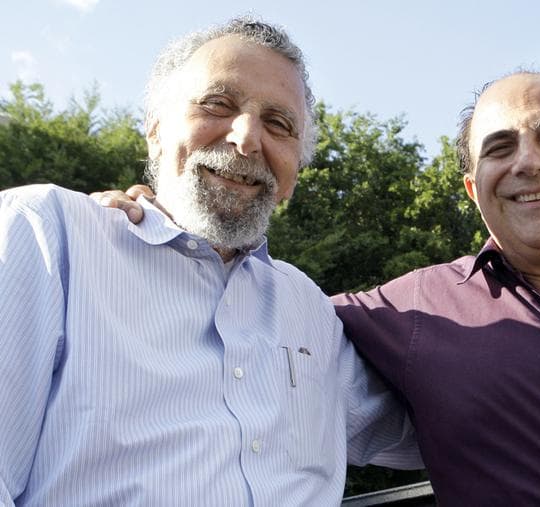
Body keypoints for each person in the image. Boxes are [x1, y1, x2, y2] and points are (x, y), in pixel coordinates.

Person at [97, 70, 540, 505]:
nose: (528, 162)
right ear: (475, 188)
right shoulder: (410, 311)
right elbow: (245, 309)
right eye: (499, 148)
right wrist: (168, 223)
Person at [0, 17, 420, 506]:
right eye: (217, 104)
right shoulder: (47, 232)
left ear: (294, 175)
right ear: (155, 130)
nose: (246, 138)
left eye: (279, 124)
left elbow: (449, 428)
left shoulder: (310, 310)